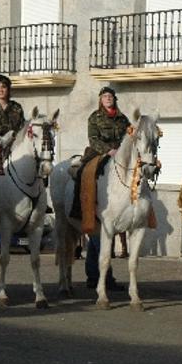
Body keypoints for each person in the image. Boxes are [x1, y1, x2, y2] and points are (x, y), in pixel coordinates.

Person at [74, 86, 129, 291]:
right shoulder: (95, 117)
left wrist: (123, 151)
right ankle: (81, 205)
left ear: (115, 99)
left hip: (121, 157)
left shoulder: (123, 119)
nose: (108, 99)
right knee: (84, 173)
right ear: (101, 100)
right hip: (100, 154)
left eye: (111, 96)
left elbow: (130, 137)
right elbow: (93, 139)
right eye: (105, 96)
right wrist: (109, 151)